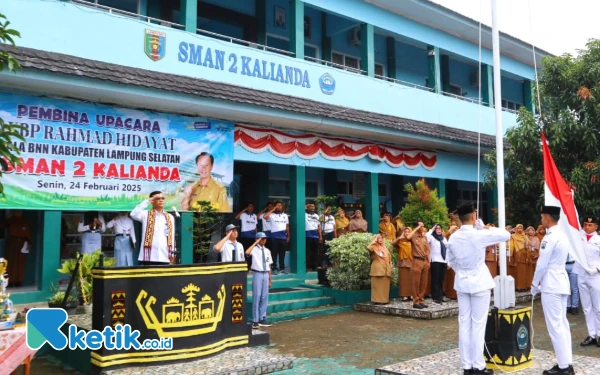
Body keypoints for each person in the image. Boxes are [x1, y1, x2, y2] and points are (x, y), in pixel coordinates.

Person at [447, 203, 510, 375]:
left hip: (462, 282)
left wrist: (462, 271)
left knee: (464, 323)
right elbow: (505, 234)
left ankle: (467, 366)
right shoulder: (478, 234)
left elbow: (450, 261)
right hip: (479, 282)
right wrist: (483, 227)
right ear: (474, 217)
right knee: (478, 324)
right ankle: (478, 366)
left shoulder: (453, 237)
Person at [531, 205, 575, 375]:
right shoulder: (562, 235)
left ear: (548, 217)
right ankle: (566, 363)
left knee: (556, 327)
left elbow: (542, 264)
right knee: (562, 325)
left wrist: (535, 284)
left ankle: (564, 367)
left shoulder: (549, 238)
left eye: (542, 216)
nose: (541, 219)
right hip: (561, 281)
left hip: (551, 283)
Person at [573, 215, 600, 347]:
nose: (586, 227)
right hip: (581, 273)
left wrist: (597, 269)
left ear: (596, 226)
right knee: (586, 307)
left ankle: (599, 334)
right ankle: (591, 334)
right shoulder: (579, 236)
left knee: (598, 307)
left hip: (595, 275)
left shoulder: (598, 240)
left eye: (590, 225)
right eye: (585, 224)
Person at [130, 191, 176, 265]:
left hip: (164, 254)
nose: (161, 200)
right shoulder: (145, 214)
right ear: (152, 201)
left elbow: (172, 235)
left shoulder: (170, 217)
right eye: (158, 198)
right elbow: (133, 214)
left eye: (162, 198)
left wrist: (172, 253)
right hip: (149, 255)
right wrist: (146, 202)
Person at [246, 232, 273, 329]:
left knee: (264, 296)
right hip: (257, 273)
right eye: (261, 238)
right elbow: (247, 252)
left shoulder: (267, 251)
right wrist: (255, 243)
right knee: (256, 296)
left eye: (265, 238)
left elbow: (269, 265)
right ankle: (255, 320)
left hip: (265, 273)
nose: (264, 240)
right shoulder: (254, 249)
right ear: (257, 239)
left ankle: (262, 318)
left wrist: (270, 279)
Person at [0, 210, 31, 287]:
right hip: (12, 243)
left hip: (22, 244)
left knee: (20, 263)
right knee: (10, 262)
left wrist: (29, 242)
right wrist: (8, 218)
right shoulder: (11, 220)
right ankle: (10, 281)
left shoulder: (24, 220)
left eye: (20, 211)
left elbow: (28, 233)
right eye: (16, 211)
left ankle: (18, 281)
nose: (18, 212)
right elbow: (2, 225)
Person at [407, 221, 430, 309]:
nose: (422, 227)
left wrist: (428, 261)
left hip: (424, 261)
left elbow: (427, 249)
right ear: (417, 227)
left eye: (423, 226)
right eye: (421, 226)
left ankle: (421, 299)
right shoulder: (413, 236)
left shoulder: (424, 237)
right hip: (416, 260)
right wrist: (416, 228)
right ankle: (415, 301)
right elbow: (408, 236)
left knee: (424, 282)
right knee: (416, 282)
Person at [263, 201, 289, 275]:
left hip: (283, 237)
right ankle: (274, 268)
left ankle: (282, 268)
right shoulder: (272, 215)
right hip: (274, 237)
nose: (279, 207)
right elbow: (265, 217)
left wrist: (288, 236)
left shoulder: (285, 215)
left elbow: (287, 226)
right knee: (274, 253)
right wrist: (273, 209)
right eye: (277, 205)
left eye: (280, 205)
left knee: (282, 253)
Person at [366, 234, 392, 305]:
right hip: (377, 269)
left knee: (384, 285)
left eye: (381, 238)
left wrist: (390, 266)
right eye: (379, 238)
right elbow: (368, 247)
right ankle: (376, 300)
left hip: (386, 269)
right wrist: (374, 240)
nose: (380, 239)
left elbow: (389, 257)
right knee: (377, 285)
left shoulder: (384, 247)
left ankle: (384, 300)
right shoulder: (373, 247)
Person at [426, 223, 448, 304]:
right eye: (437, 228)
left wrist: (448, 261)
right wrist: (432, 229)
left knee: (441, 279)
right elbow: (426, 237)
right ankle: (435, 297)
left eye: (440, 228)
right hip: (435, 260)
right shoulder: (431, 237)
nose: (438, 230)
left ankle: (440, 296)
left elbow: (447, 249)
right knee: (435, 279)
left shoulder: (443, 238)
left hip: (443, 260)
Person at [393, 227, 413, 301]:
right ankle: (404, 295)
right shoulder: (400, 241)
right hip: (403, 262)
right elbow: (393, 244)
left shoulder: (412, 241)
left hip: (411, 262)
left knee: (411, 279)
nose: (407, 233)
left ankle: (411, 294)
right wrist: (399, 238)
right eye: (405, 231)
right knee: (403, 279)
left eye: (408, 231)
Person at [235, 203, 258, 269]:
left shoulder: (254, 216)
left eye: (252, 206)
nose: (251, 208)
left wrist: (256, 236)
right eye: (249, 206)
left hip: (253, 236)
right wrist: (244, 210)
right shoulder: (243, 215)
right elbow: (236, 217)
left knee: (252, 252)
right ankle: (245, 266)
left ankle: (251, 266)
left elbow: (255, 226)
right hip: (245, 236)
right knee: (245, 251)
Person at [511, 224, 529, 291]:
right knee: (517, 272)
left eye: (521, 228)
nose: (520, 230)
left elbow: (527, 246)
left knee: (523, 272)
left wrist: (527, 256)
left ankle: (523, 287)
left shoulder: (525, 236)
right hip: (516, 255)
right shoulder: (513, 236)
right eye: (518, 228)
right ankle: (518, 287)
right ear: (516, 229)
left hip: (523, 255)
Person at [305, 203, 321, 271]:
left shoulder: (316, 216)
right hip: (307, 235)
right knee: (307, 252)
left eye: (314, 206)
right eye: (311, 206)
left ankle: (314, 266)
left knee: (315, 252)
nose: (312, 208)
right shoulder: (305, 215)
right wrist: (305, 206)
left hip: (315, 235)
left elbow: (319, 226)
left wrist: (320, 236)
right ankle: (307, 266)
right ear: (307, 208)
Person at [566, 247, 580, 315]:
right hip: (564, 264)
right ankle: (567, 306)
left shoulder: (574, 242)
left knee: (574, 287)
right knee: (566, 287)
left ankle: (575, 306)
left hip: (573, 264)